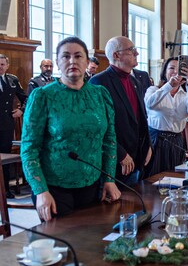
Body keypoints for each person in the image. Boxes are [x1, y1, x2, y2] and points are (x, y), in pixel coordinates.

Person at [20, 37, 121, 221]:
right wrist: (40, 191)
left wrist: (109, 179)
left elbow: (109, 140)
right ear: (57, 62)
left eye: (78, 56)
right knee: (63, 246)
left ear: (87, 61)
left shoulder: (100, 95)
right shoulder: (43, 96)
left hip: (93, 185)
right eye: (65, 56)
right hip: (54, 189)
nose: (72, 61)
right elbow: (29, 148)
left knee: (93, 243)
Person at [90, 36, 152, 184]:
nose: (136, 53)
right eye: (131, 50)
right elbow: (99, 126)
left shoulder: (135, 81)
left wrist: (147, 145)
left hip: (138, 157)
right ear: (116, 55)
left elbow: (141, 117)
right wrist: (120, 154)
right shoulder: (99, 82)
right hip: (116, 161)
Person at [144, 57, 188, 176]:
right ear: (164, 72)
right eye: (171, 68)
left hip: (176, 140)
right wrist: (169, 85)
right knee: (154, 177)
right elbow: (149, 104)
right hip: (156, 139)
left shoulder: (185, 94)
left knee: (175, 176)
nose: (175, 71)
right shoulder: (153, 89)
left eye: (179, 68)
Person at [0, 54, 27, 199]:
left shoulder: (12, 80)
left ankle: (5, 190)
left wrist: (21, 111)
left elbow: (25, 98)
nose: (0, 67)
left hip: (6, 124)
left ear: (7, 65)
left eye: (3, 64)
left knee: (4, 157)